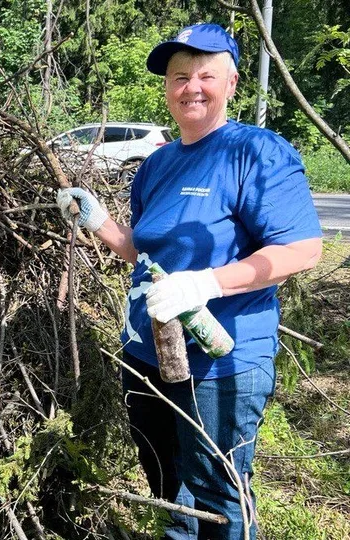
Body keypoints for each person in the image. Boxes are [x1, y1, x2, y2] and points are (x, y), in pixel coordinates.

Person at [57, 23, 322, 539]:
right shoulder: (156, 164)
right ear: (166, 87)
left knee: (218, 491)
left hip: (222, 361)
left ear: (232, 83)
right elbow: (146, 251)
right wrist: (99, 223)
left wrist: (207, 284)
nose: (191, 87)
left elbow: (303, 249)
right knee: (168, 486)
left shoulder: (257, 153)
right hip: (147, 353)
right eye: (180, 76)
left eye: (206, 75)